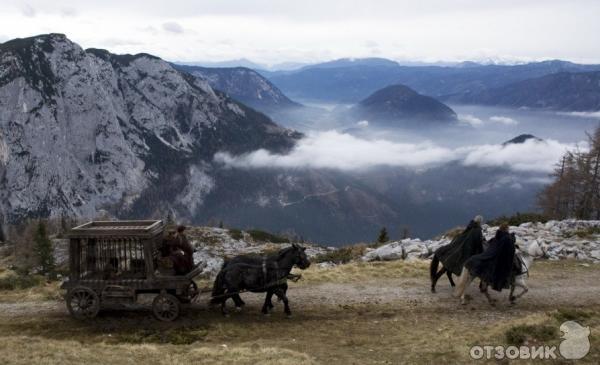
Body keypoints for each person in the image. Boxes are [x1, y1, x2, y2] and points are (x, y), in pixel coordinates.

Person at [463, 223, 516, 291]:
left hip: (489, 254)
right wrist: (512, 240)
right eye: (508, 228)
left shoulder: (497, 236)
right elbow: (508, 248)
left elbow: (492, 243)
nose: (508, 230)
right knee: (502, 269)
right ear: (506, 229)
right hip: (497, 258)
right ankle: (499, 282)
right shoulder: (506, 238)